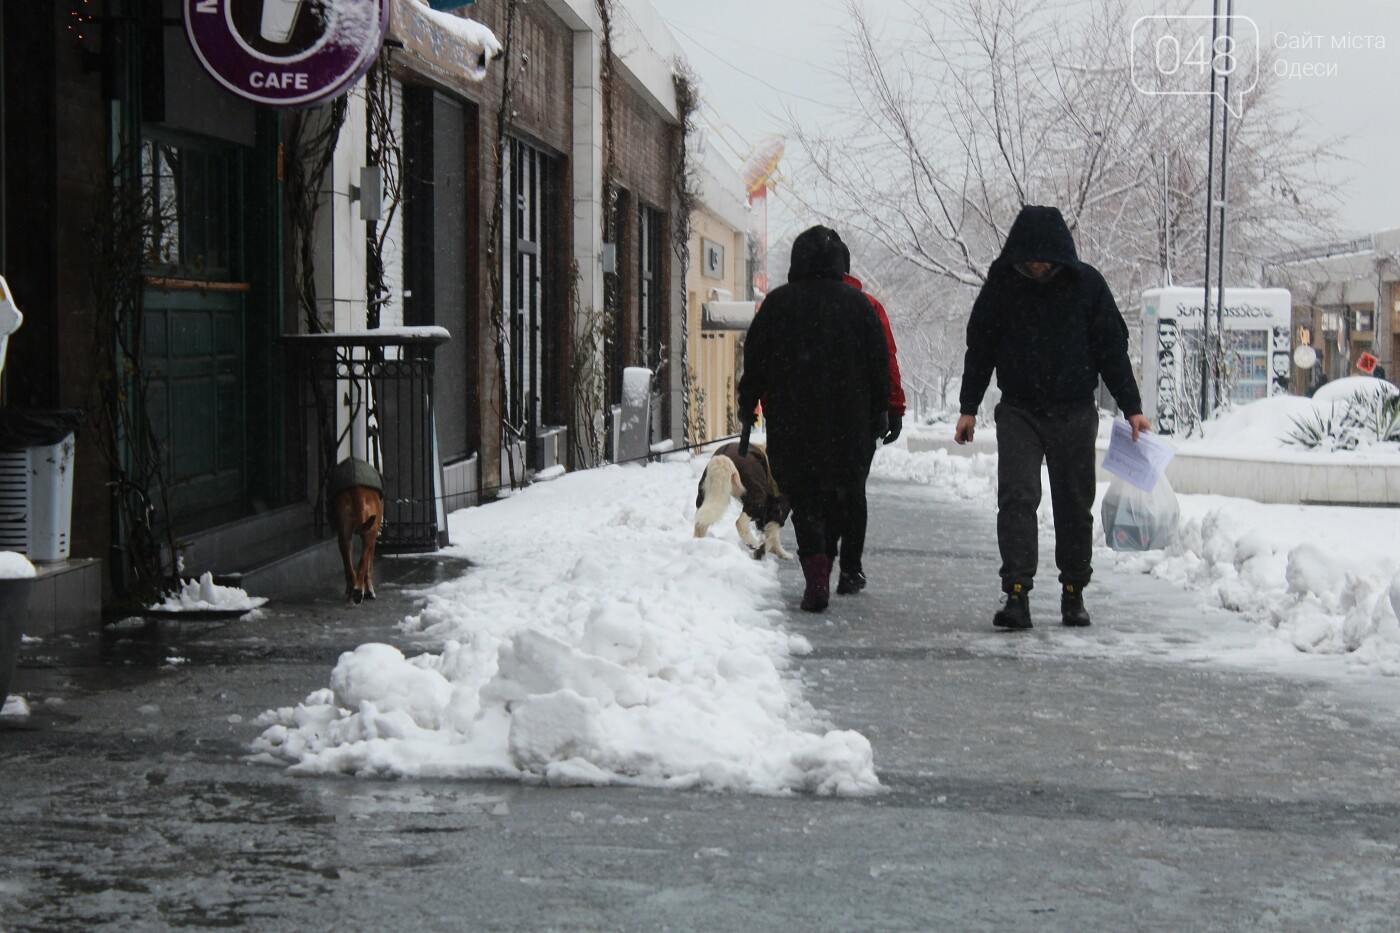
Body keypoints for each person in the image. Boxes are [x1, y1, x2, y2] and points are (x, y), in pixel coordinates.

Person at [954, 205, 1150, 630]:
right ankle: (1017, 595)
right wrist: (968, 408)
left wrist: (1132, 407)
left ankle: (1074, 592)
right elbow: (980, 347)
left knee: (1074, 503)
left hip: (1075, 410)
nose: (1039, 265)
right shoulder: (1002, 284)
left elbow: (1112, 349)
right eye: (1031, 258)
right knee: (1017, 498)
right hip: (1020, 409)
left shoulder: (1087, 285)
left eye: (1046, 258)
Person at [738, 225, 891, 612]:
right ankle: (830, 559)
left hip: (793, 421)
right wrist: (880, 412)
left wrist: (747, 404)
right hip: (849, 422)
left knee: (805, 498)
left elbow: (754, 362)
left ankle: (816, 573)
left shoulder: (778, 305)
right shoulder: (859, 306)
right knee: (840, 496)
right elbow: (879, 367)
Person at [819, 237, 907, 595]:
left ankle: (820, 561)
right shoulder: (868, 306)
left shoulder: (796, 304)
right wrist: (894, 407)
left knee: (818, 491)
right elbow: (886, 359)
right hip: (859, 419)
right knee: (853, 491)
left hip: (810, 418)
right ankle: (850, 569)